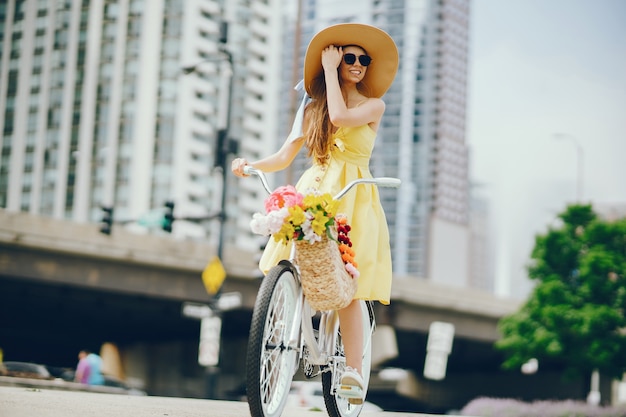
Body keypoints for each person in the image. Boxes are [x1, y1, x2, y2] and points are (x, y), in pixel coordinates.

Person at [232, 23, 399, 404]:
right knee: (293, 260)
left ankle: (354, 372)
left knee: (349, 288)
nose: (357, 65)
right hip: (314, 191)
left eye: (362, 59)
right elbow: (284, 156)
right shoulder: (311, 110)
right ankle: (290, 329)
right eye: (348, 58)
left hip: (352, 195)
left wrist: (328, 71)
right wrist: (249, 165)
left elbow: (340, 118)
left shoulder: (373, 104)